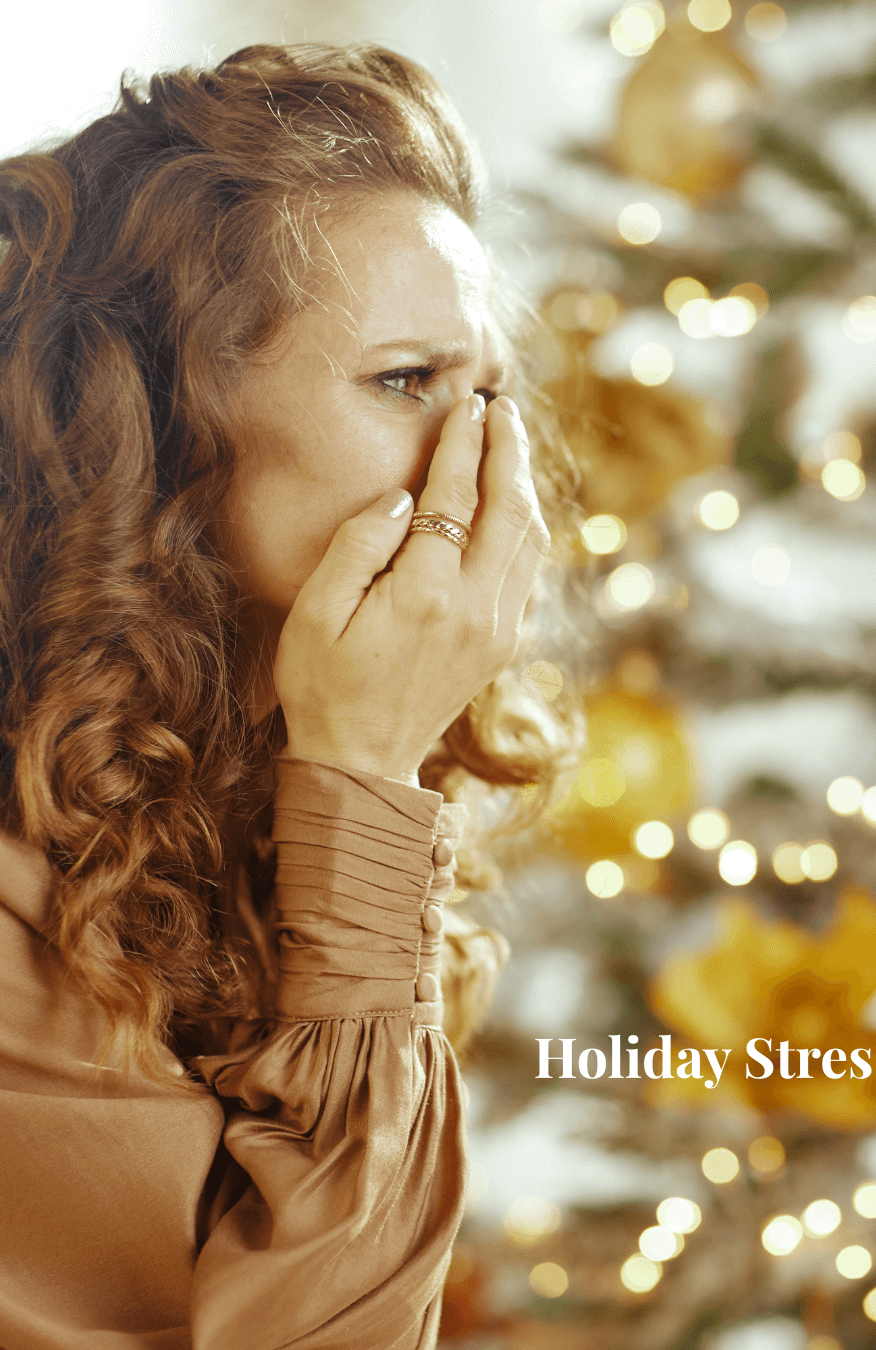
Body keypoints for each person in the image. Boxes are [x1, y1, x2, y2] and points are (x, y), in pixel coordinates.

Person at [0, 41, 581, 1349]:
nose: (483, 464)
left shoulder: (262, 768)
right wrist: (367, 772)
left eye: (486, 390)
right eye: (405, 382)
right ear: (158, 425)